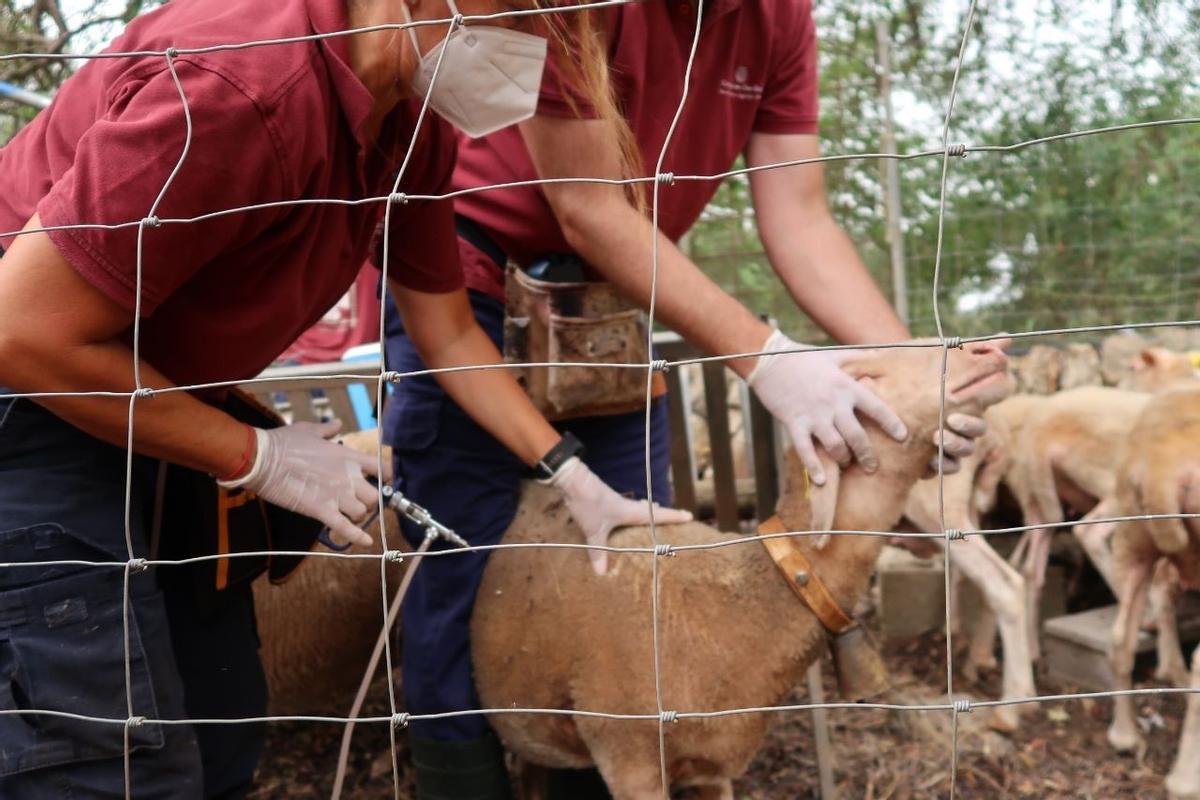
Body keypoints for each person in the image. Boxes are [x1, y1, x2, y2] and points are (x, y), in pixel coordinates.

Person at [0, 0, 675, 797]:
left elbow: (450, 334)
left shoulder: (410, 128)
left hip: (152, 408)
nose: (534, 52)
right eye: (522, 18)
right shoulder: (242, 87)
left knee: (220, 734)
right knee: (108, 765)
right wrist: (255, 456)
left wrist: (570, 473)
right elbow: (21, 333)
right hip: (34, 404)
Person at [383, 0, 987, 796]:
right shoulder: (576, 6)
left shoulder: (780, 19)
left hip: (617, 295)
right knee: (458, 554)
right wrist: (769, 360)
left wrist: (917, 381)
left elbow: (801, 216)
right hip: (468, 282)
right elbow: (587, 207)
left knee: (633, 565)